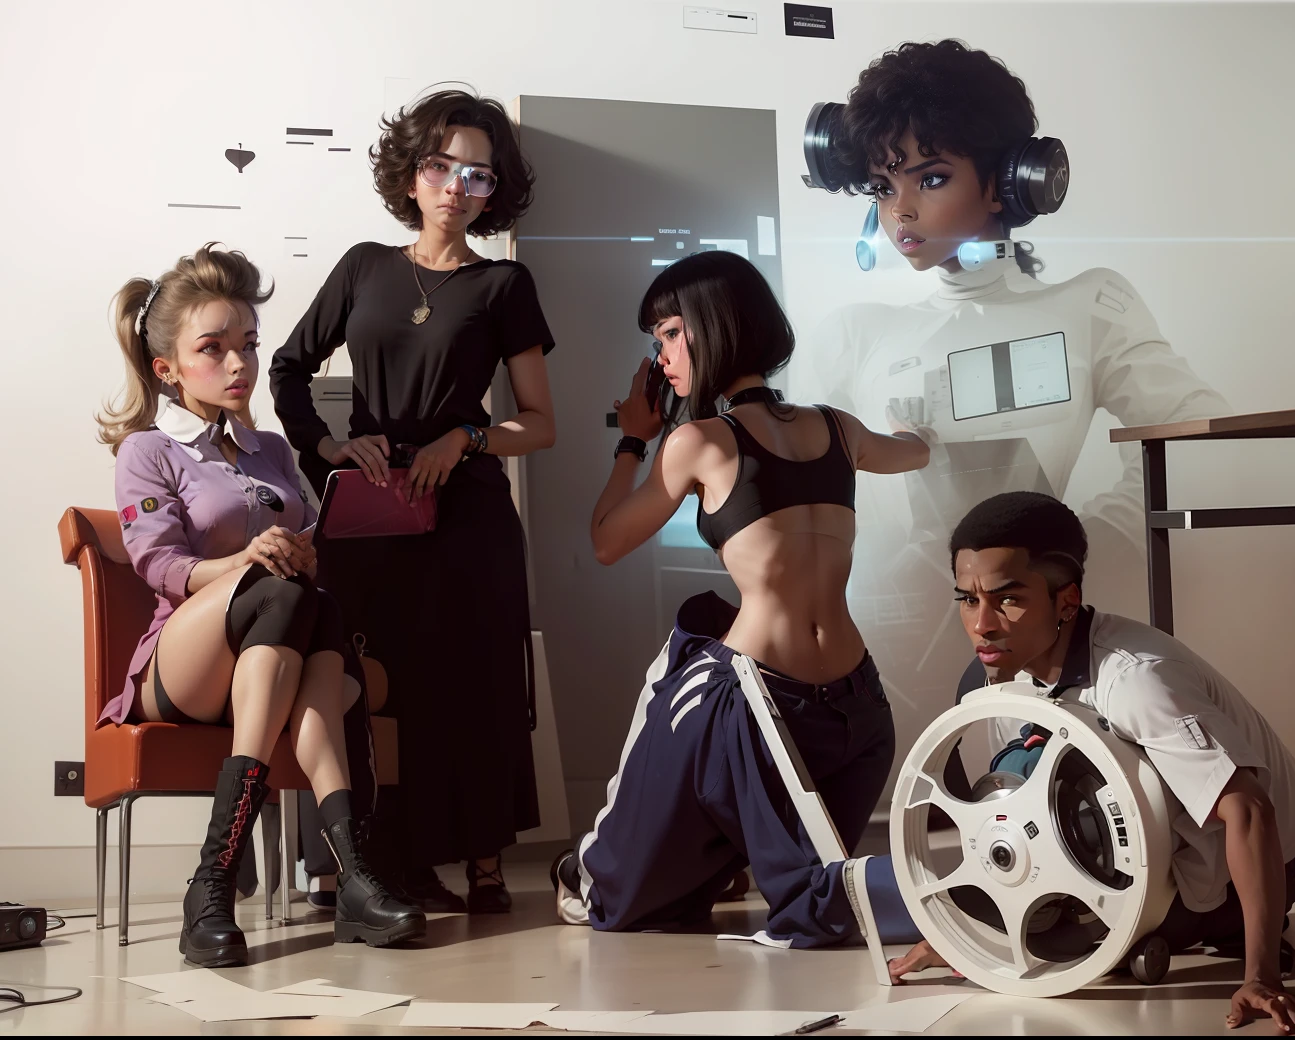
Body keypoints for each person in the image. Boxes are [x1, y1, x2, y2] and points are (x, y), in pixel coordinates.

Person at [791, 39, 1230, 752]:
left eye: (931, 178)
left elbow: (1193, 430)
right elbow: (792, 493)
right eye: (882, 186)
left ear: (1009, 180)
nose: (901, 210)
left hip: (1039, 643)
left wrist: (1092, 540)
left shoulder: (1088, 308)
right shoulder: (853, 334)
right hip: (883, 642)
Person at [549, 250, 930, 943]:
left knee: (625, 898)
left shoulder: (697, 441)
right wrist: (919, 428)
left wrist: (632, 440)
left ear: (713, 325)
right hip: (858, 711)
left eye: (669, 333)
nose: (661, 356)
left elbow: (606, 540)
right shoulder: (839, 428)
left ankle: (588, 871)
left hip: (758, 707)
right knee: (813, 887)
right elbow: (913, 451)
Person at [881, 491, 1295, 1035]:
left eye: (1008, 599)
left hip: (1262, 863)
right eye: (967, 600)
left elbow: (1250, 811)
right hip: (1164, 848)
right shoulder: (993, 676)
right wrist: (965, 935)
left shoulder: (1136, 680)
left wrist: (1262, 977)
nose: (983, 625)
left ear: (1066, 600)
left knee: (1060, 943)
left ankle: (1228, 928)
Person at [270, 89, 556, 914]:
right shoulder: (364, 266)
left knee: (474, 682)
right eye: (439, 166)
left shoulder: (505, 283)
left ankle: (484, 860)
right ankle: (381, 860)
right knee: (373, 683)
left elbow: (540, 424)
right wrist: (327, 447)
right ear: (411, 173)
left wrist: (464, 438)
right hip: (371, 514)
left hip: (467, 513)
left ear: (494, 191)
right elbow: (287, 368)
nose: (455, 187)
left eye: (477, 174)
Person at [96, 244, 424, 966]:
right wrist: (245, 563)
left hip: (274, 650)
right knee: (280, 593)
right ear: (167, 369)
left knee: (310, 606)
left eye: (247, 344)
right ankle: (242, 875)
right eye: (212, 348)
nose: (238, 363)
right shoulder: (149, 450)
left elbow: (308, 543)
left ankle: (327, 879)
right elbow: (159, 565)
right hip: (183, 666)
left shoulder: (272, 450)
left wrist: (310, 550)